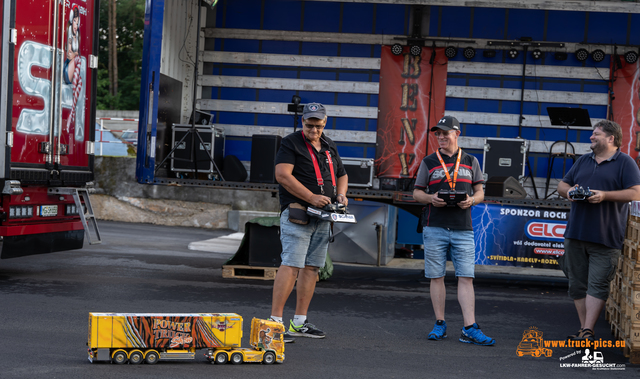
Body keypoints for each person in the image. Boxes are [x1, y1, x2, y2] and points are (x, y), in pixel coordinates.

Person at [412, 115, 495, 346]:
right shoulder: (429, 161)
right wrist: (430, 198)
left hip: (463, 228)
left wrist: (471, 201)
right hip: (434, 226)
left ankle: (469, 327)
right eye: (437, 134)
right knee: (436, 277)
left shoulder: (471, 160)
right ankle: (440, 324)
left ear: (457, 134)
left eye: (445, 133)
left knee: (466, 277)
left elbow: (480, 192)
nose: (440, 137)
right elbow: (417, 193)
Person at [270, 102, 348, 342]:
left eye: (318, 126)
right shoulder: (291, 142)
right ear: (302, 122)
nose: (313, 130)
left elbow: (342, 174)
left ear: (325, 123)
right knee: (291, 265)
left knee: (312, 268)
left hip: (324, 215)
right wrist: (311, 197)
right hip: (299, 212)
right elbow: (282, 174)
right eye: (309, 125)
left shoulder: (328, 145)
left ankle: (299, 322)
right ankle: (274, 324)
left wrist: (342, 195)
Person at [557, 120, 640, 342]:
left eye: (596, 134)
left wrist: (604, 195)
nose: (591, 137)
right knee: (577, 284)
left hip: (606, 236)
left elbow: (636, 193)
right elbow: (562, 186)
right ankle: (586, 330)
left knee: (597, 284)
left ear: (611, 138)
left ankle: (587, 330)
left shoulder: (625, 162)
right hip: (575, 234)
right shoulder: (584, 160)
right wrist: (571, 191)